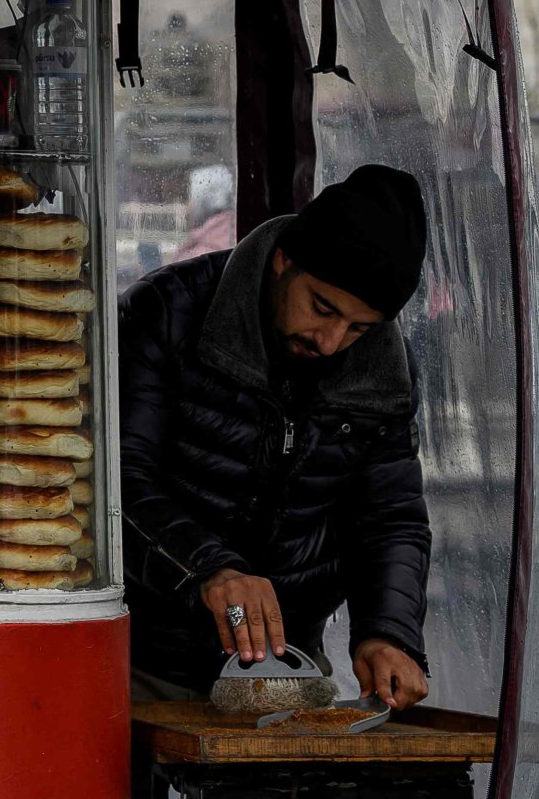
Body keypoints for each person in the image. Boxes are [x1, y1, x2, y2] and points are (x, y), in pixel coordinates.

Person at [118, 163, 435, 711]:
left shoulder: (385, 369)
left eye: (359, 328)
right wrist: (208, 568)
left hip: (284, 667)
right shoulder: (166, 312)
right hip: (138, 657)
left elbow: (390, 516)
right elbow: (117, 479)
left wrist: (388, 633)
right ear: (284, 259)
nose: (331, 341)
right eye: (322, 308)